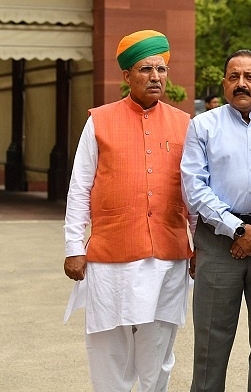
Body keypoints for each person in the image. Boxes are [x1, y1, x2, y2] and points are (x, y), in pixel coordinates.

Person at [63, 29, 194, 391]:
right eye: (145, 69)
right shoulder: (99, 121)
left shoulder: (184, 124)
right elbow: (79, 188)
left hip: (167, 256)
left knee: (158, 351)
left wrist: (199, 245)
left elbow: (193, 191)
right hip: (111, 256)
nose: (155, 77)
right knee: (109, 350)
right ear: (126, 76)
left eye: (161, 69)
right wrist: (74, 247)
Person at [181, 49, 251, 392]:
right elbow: (194, 187)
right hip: (217, 242)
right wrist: (237, 229)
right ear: (224, 82)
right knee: (211, 342)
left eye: (250, 77)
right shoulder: (202, 125)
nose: (241, 84)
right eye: (234, 77)